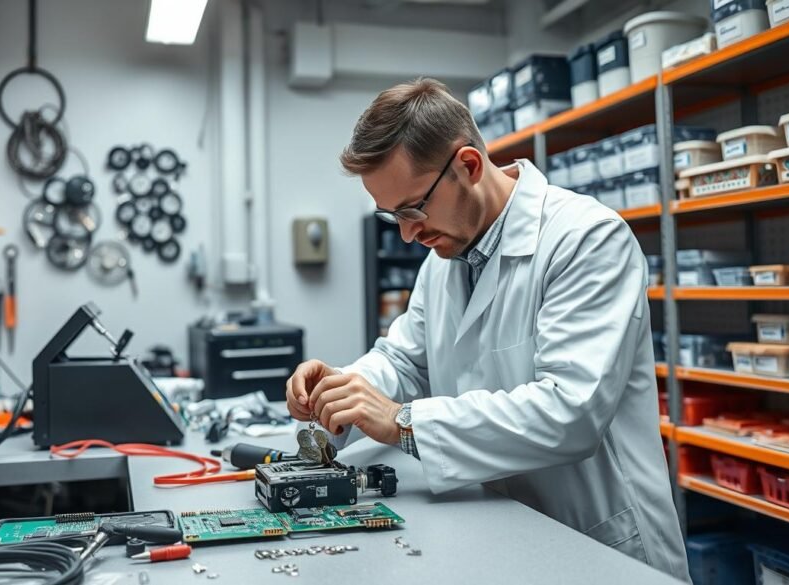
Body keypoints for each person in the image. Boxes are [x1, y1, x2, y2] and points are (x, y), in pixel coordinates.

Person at [285, 78, 690, 581]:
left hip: (598, 541)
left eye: (413, 209)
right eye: (394, 217)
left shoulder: (585, 239)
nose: (408, 234)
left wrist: (404, 422)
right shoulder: (445, 257)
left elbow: (570, 411)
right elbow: (406, 360)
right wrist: (343, 389)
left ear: (469, 166)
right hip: (501, 530)